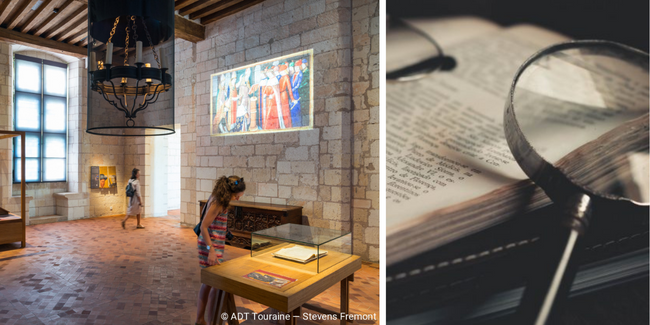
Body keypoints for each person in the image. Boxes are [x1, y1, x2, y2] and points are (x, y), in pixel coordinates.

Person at [195, 176, 246, 325]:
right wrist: (211, 250)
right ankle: (208, 320)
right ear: (231, 192)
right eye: (237, 196)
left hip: (213, 244)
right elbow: (204, 226)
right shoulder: (217, 202)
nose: (237, 199)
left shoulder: (219, 199)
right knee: (213, 284)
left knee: (210, 284)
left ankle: (206, 319)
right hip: (209, 245)